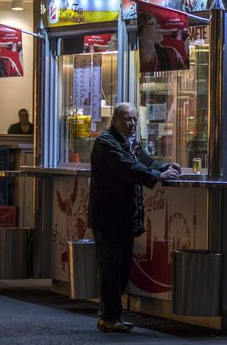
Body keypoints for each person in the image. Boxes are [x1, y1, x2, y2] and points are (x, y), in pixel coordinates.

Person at [88, 103, 180, 333]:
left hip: (126, 217)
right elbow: (128, 168)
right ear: (115, 121)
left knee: (123, 268)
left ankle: (109, 315)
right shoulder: (105, 143)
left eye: (134, 120)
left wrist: (166, 167)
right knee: (110, 267)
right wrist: (159, 175)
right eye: (127, 119)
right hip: (108, 217)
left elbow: (147, 163)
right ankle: (109, 317)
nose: (132, 124)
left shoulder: (132, 143)